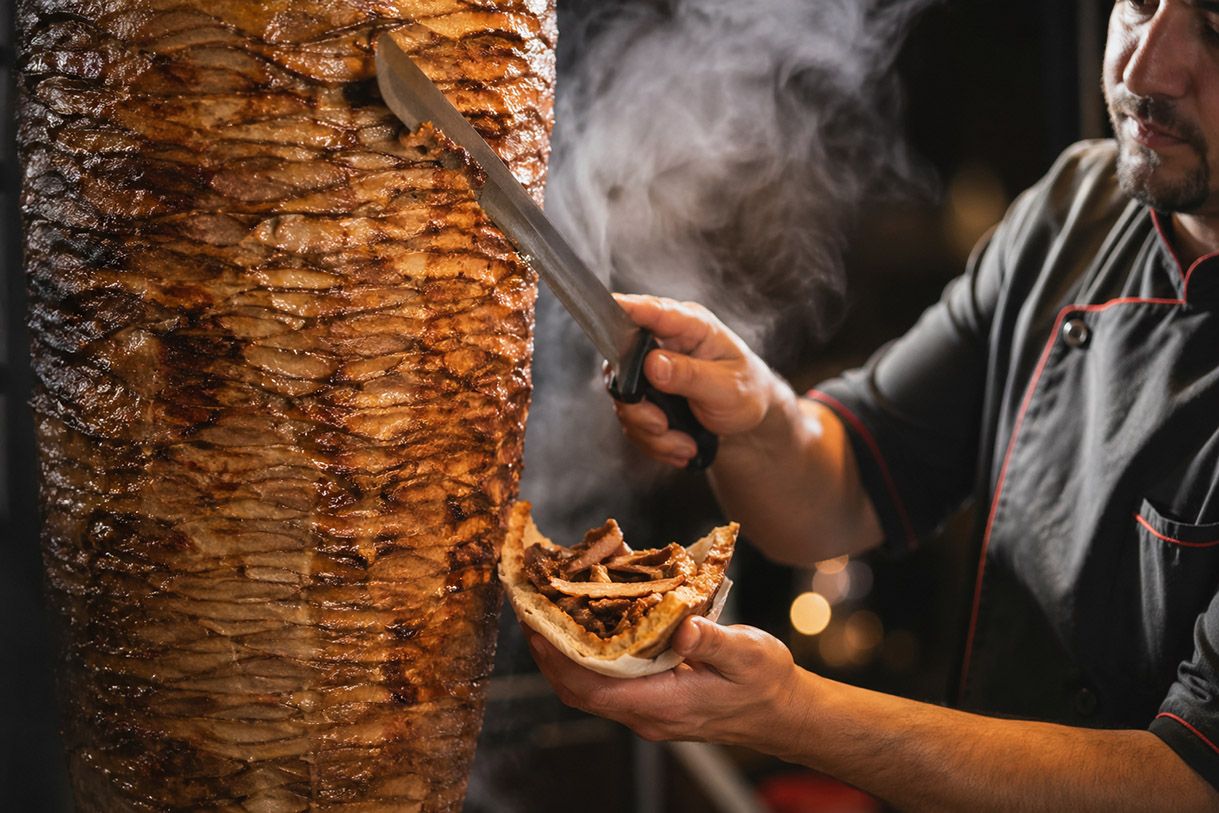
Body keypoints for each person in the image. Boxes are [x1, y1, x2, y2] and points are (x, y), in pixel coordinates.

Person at [524, 1, 1219, 809]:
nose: (1143, 70)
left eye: (1214, 26)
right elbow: (846, 480)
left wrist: (786, 713)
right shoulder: (1078, 211)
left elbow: (1183, 784)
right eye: (1137, 3)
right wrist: (753, 418)